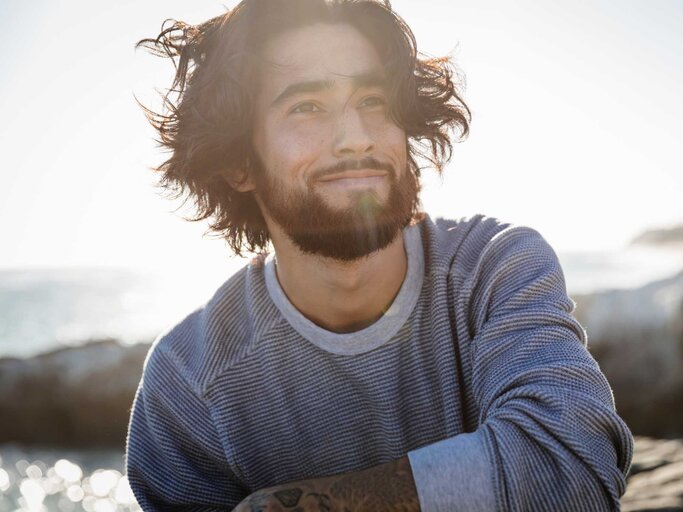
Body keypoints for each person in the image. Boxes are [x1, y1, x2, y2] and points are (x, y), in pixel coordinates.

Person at [125, 0, 634, 510]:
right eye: (307, 107)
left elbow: (574, 467)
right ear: (239, 162)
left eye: (373, 100)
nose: (356, 138)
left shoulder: (493, 268)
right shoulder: (187, 383)